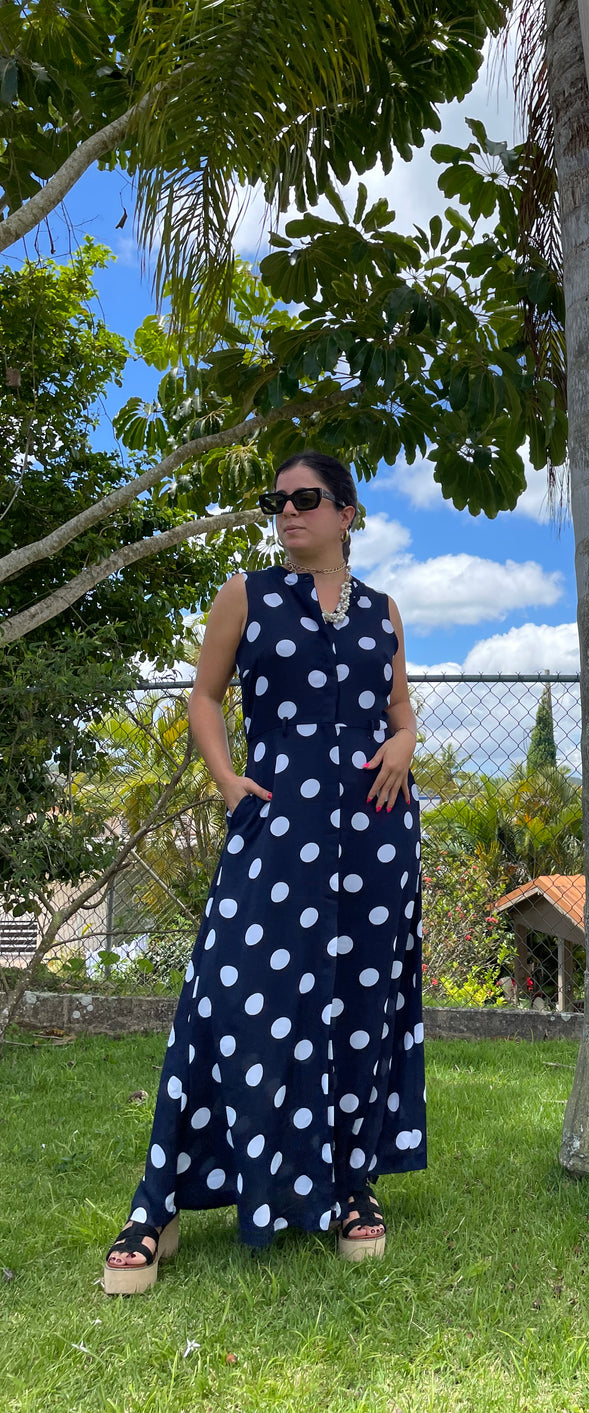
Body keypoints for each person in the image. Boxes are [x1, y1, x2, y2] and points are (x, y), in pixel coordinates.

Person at [103, 451, 425, 1295]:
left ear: (346, 512)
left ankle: (350, 1185)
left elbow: (397, 705)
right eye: (276, 501)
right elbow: (203, 698)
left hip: (373, 836)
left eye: (305, 499)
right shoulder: (246, 595)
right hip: (276, 831)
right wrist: (224, 778)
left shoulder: (384, 612)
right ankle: (160, 1201)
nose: (287, 513)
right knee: (228, 994)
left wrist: (405, 738)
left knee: (360, 1004)